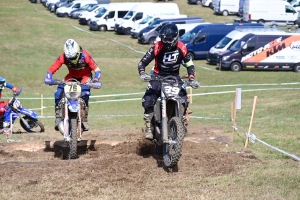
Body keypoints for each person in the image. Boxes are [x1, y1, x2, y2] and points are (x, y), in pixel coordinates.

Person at [138, 23, 199, 140]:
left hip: (174, 78)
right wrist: (142, 73)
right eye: (164, 38)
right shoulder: (157, 46)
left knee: (185, 100)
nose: (166, 41)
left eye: (169, 39)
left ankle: (181, 121)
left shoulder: (182, 47)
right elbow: (142, 62)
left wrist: (191, 77)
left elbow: (189, 64)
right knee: (147, 100)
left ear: (175, 37)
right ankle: (148, 126)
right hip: (157, 76)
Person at [45, 39, 101, 131]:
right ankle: (58, 118)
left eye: (74, 57)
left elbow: (97, 70)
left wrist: (95, 80)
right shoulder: (63, 57)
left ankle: (84, 119)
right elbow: (52, 68)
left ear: (78, 53)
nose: (72, 60)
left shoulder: (86, 56)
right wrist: (49, 77)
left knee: (85, 94)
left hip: (85, 77)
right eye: (69, 58)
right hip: (71, 76)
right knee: (58, 93)